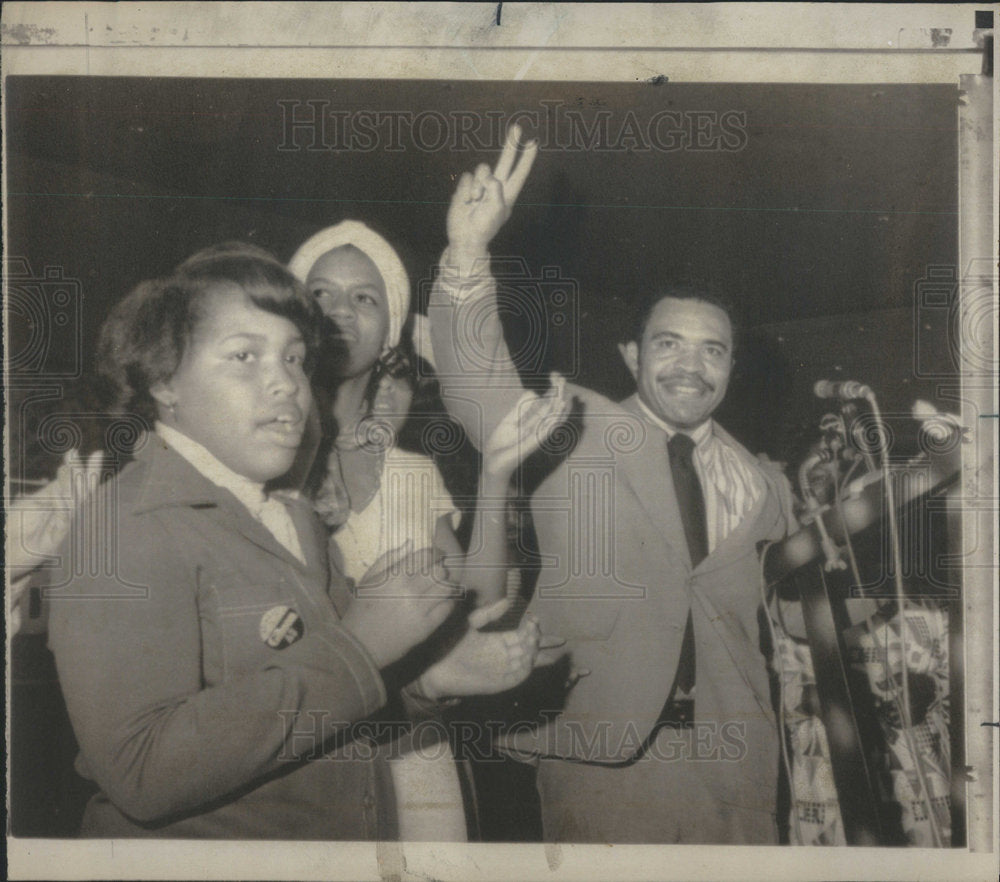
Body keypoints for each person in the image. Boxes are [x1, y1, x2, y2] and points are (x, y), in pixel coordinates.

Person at [45, 243, 547, 839]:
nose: (284, 382)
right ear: (164, 381)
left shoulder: (292, 516)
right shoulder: (124, 525)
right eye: (244, 356)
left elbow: (336, 707)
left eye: (295, 358)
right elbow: (141, 771)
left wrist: (426, 684)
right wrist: (362, 644)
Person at [427, 128, 798, 844]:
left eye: (711, 350)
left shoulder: (764, 487)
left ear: (731, 369)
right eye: (669, 344)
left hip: (741, 777)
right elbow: (481, 392)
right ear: (631, 356)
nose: (691, 366)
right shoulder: (575, 429)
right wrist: (469, 255)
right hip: (605, 771)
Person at [287, 221, 568, 840]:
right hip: (296, 762)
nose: (339, 312)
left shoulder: (411, 472)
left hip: (412, 753)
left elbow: (483, 604)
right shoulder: (263, 459)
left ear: (392, 332)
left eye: (365, 297)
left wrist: (495, 475)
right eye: (321, 294)